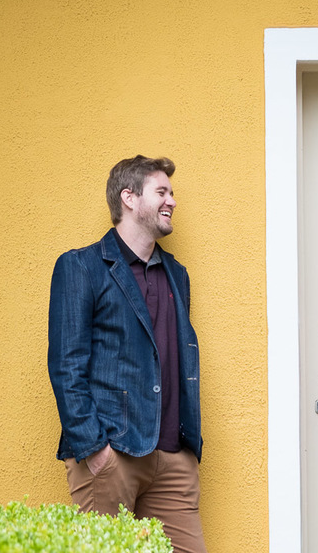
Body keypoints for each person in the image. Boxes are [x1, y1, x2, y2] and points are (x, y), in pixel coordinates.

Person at [48, 155, 206, 553]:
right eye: (162, 191)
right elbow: (66, 365)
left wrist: (187, 452)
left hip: (172, 457)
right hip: (111, 454)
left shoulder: (177, 273)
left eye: (172, 192)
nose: (172, 200)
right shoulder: (81, 267)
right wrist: (96, 451)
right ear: (130, 198)